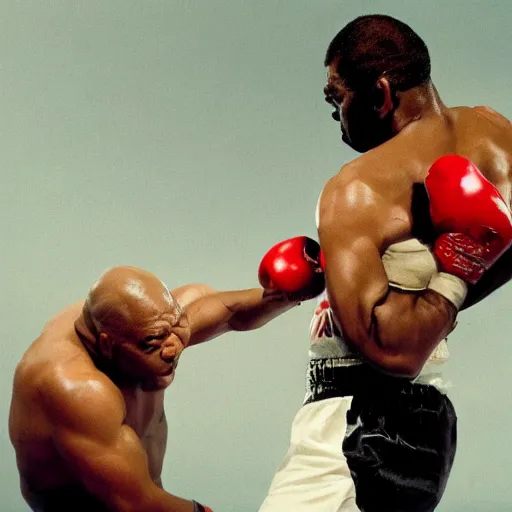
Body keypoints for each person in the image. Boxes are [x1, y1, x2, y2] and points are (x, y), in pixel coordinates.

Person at [258, 14, 512, 512]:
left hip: (356, 424)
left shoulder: (356, 189)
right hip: (428, 420)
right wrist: (463, 263)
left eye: (337, 98)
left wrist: (458, 270)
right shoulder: (494, 133)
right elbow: (501, 239)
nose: (334, 114)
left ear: (379, 94)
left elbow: (393, 351)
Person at [9, 263, 323, 512]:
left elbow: (229, 312)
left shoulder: (151, 326)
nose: (172, 349)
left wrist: (287, 294)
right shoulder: (74, 386)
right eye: (154, 342)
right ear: (107, 344)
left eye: (174, 330)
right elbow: (135, 504)